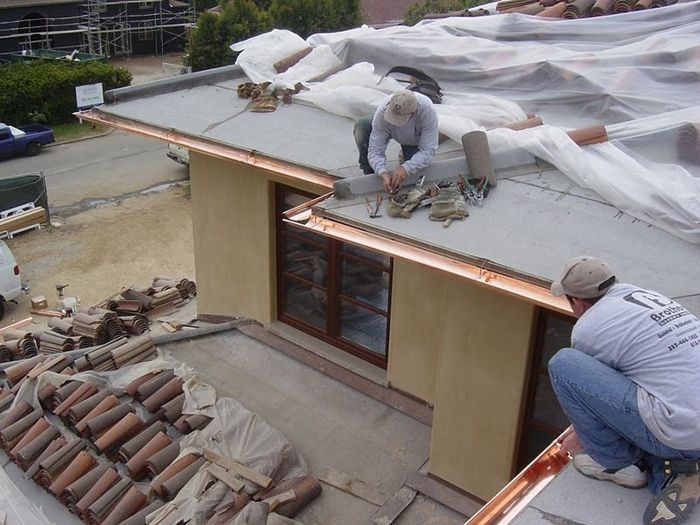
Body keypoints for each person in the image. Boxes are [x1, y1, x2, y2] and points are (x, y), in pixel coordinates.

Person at [547, 256, 700, 525]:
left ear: (577, 302)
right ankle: (680, 466)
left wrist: (585, 434)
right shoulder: (641, 294)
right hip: (691, 410)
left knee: (564, 364)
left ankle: (623, 464)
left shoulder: (587, 329)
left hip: (684, 431)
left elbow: (596, 397)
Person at [353, 89, 438, 193]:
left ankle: (405, 154)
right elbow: (375, 150)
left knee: (414, 173)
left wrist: (406, 168)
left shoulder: (427, 110)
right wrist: (382, 172)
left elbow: (428, 151)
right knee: (362, 126)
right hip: (389, 130)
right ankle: (370, 172)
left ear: (413, 113)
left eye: (400, 118)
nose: (396, 122)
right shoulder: (382, 111)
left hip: (414, 140)